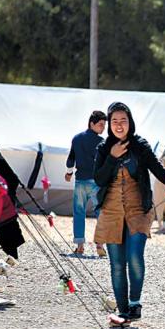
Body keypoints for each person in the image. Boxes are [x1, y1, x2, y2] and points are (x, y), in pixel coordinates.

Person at [93, 102, 165, 324]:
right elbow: (99, 179)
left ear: (130, 122)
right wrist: (112, 156)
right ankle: (123, 310)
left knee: (134, 256)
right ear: (109, 124)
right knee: (117, 263)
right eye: (114, 121)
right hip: (110, 211)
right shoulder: (103, 148)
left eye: (123, 120)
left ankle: (135, 304)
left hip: (138, 210)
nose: (119, 125)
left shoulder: (140, 146)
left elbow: (160, 172)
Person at [66, 110, 107, 257]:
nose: (103, 128)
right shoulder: (102, 142)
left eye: (104, 125)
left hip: (80, 181)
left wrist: (69, 173)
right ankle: (100, 244)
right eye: (101, 124)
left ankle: (80, 245)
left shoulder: (77, 139)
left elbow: (71, 159)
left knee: (78, 213)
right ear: (92, 124)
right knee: (101, 213)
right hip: (96, 182)